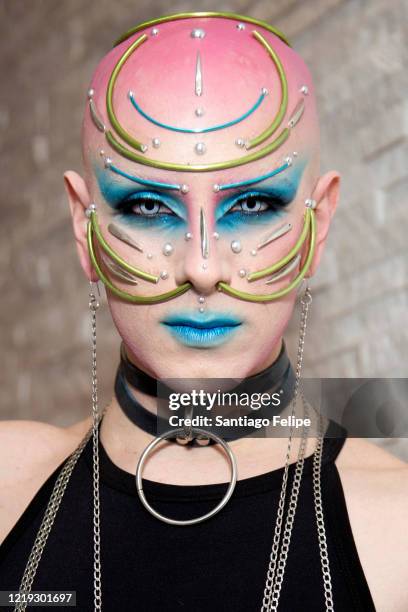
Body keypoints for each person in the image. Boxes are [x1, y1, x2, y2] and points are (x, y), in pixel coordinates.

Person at [0, 11, 407, 612]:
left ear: (318, 225)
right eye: (145, 206)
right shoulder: (10, 481)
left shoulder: (395, 529)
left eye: (253, 203)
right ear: (83, 229)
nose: (203, 268)